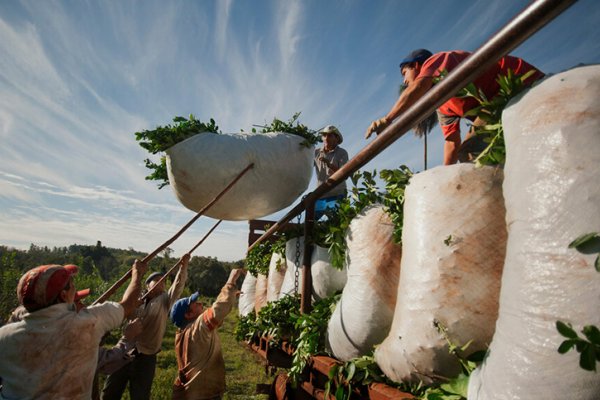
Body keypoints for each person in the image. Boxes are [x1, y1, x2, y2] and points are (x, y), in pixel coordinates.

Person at [365, 49, 544, 165]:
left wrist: (388, 119)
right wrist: (444, 176)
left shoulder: (438, 60)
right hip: (496, 107)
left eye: (405, 73)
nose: (404, 80)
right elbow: (451, 142)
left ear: (417, 65)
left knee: (472, 150)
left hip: (517, 83)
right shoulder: (443, 105)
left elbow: (418, 87)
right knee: (467, 153)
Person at [0, 260, 146, 399]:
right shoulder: (85, 324)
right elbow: (129, 304)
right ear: (64, 295)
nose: (75, 289)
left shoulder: (4, 337)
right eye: (72, 285)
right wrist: (137, 274)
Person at [102, 253, 191, 400]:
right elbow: (121, 309)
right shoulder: (135, 298)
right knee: (110, 392)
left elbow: (178, 285)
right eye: (156, 281)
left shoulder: (165, 301)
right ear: (147, 284)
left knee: (140, 395)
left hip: (146, 357)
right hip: (124, 351)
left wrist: (183, 266)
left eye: (163, 282)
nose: (160, 283)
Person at [170, 269, 245, 400]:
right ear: (188, 315)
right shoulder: (197, 328)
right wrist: (231, 281)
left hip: (188, 393)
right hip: (202, 394)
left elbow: (214, 320)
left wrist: (231, 296)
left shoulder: (182, 332)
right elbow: (218, 309)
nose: (200, 303)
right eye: (195, 304)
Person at [314, 125, 349, 219]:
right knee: (310, 222)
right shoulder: (316, 153)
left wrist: (328, 163)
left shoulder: (342, 153)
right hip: (320, 195)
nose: (326, 138)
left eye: (329, 135)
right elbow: (305, 165)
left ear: (336, 138)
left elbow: (344, 174)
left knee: (336, 221)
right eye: (324, 135)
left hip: (337, 194)